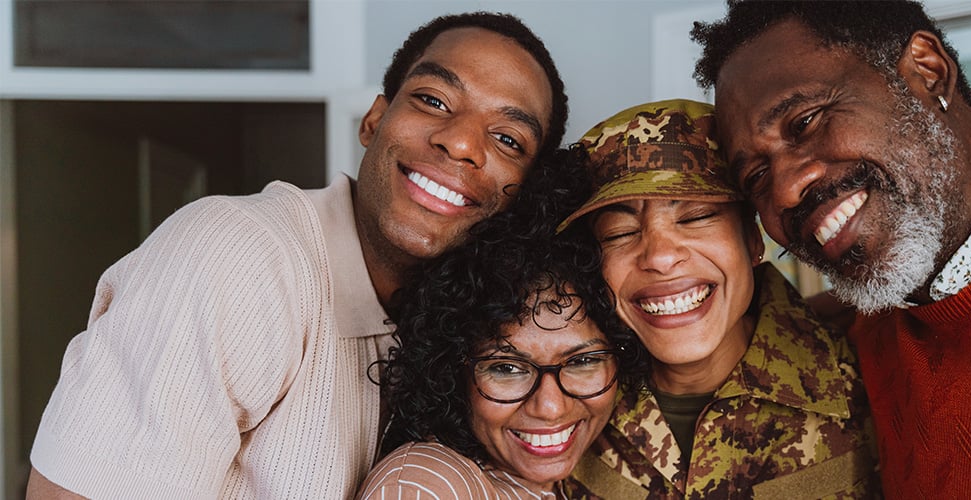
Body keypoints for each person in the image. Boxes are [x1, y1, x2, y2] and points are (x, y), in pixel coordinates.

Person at [27, 11, 568, 499]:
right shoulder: (237, 257)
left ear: (527, 191)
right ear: (374, 121)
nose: (462, 143)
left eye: (508, 139)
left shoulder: (468, 322)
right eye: (433, 100)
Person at [693, 1, 971, 497]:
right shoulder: (840, 350)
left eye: (806, 121)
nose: (787, 190)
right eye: (757, 176)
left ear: (928, 69)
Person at [557, 99, 878, 499]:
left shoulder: (876, 377)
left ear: (752, 239)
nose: (659, 256)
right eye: (620, 232)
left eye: (695, 217)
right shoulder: (559, 405)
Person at [355, 149, 647, 499]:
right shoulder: (428, 485)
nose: (551, 407)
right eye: (507, 368)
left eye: (583, 361)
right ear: (451, 372)